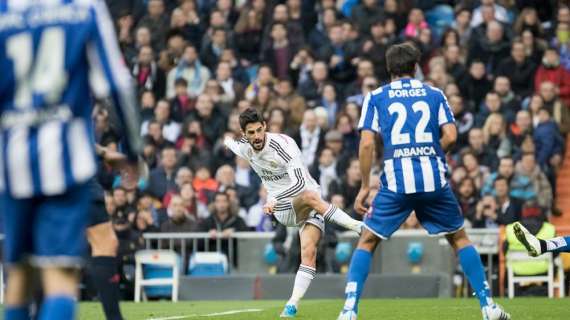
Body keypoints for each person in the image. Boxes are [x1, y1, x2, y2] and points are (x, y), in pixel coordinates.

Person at [337, 43, 509, 320]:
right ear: (415, 67)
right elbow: (452, 137)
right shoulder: (435, 93)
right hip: (433, 181)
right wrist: (429, 152)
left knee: (367, 241)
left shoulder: (376, 96)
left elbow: (367, 143)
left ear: (389, 68)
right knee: (459, 238)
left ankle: (348, 310)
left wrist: (365, 186)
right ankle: (488, 306)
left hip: (396, 182)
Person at [0, 1, 141, 320]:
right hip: (66, 166)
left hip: (12, 165)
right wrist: (132, 151)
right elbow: (117, 84)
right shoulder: (83, 9)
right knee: (62, 275)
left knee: (20, 277)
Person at [224, 108, 362, 318]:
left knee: (309, 253)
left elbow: (299, 183)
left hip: (302, 199)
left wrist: (273, 199)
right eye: (251, 133)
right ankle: (359, 227)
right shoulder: (244, 149)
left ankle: (291, 305)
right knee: (310, 197)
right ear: (245, 134)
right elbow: (232, 144)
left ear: (265, 126)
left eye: (259, 130)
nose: (257, 136)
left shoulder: (284, 145)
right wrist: (226, 140)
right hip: (284, 210)